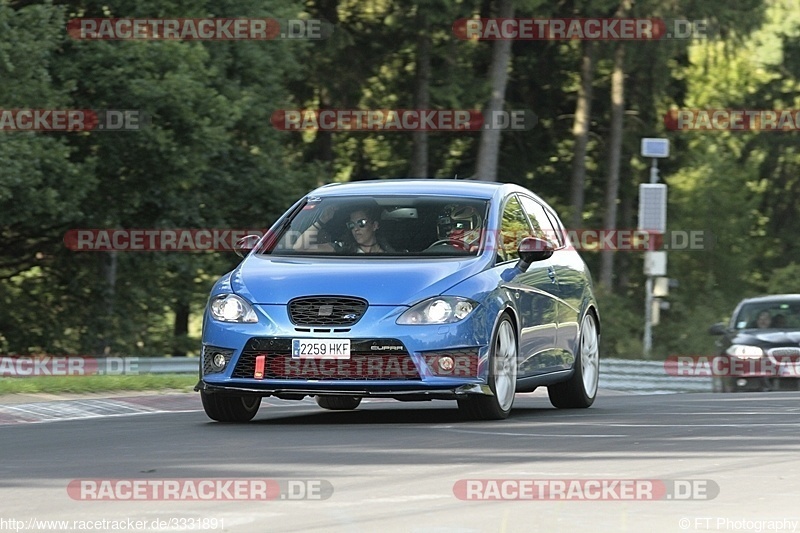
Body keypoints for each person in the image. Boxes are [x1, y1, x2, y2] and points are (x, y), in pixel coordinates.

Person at [293, 203, 392, 253]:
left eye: (361, 223)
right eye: (351, 225)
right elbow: (298, 247)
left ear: (375, 226)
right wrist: (321, 221)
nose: (356, 229)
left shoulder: (392, 254)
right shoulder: (342, 248)